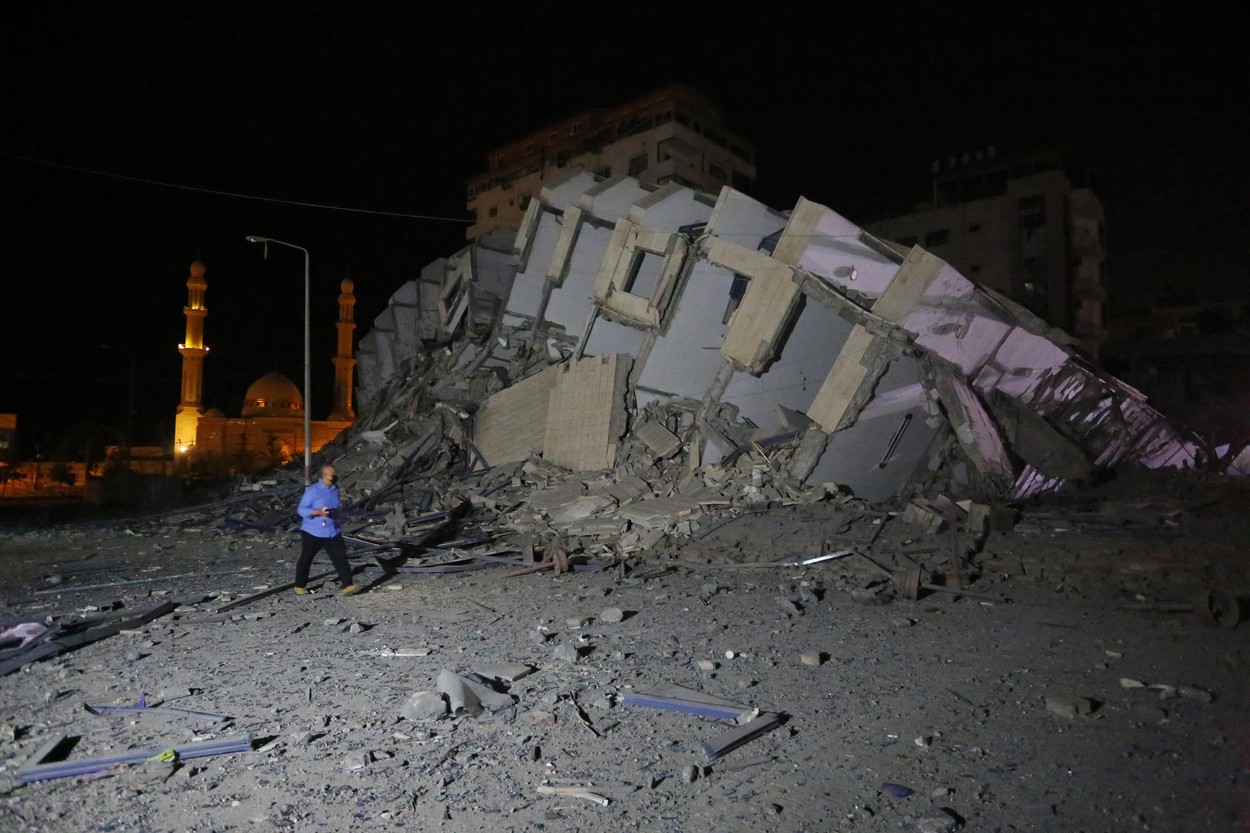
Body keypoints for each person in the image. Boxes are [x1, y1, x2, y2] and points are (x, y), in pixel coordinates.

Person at [294, 463, 359, 596]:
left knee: (340, 557)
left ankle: (348, 586)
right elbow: (301, 509)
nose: (335, 477)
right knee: (306, 558)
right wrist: (318, 512)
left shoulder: (335, 489)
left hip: (331, 531)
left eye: (335, 474)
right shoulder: (313, 490)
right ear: (324, 475)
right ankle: (299, 586)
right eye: (332, 475)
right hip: (313, 531)